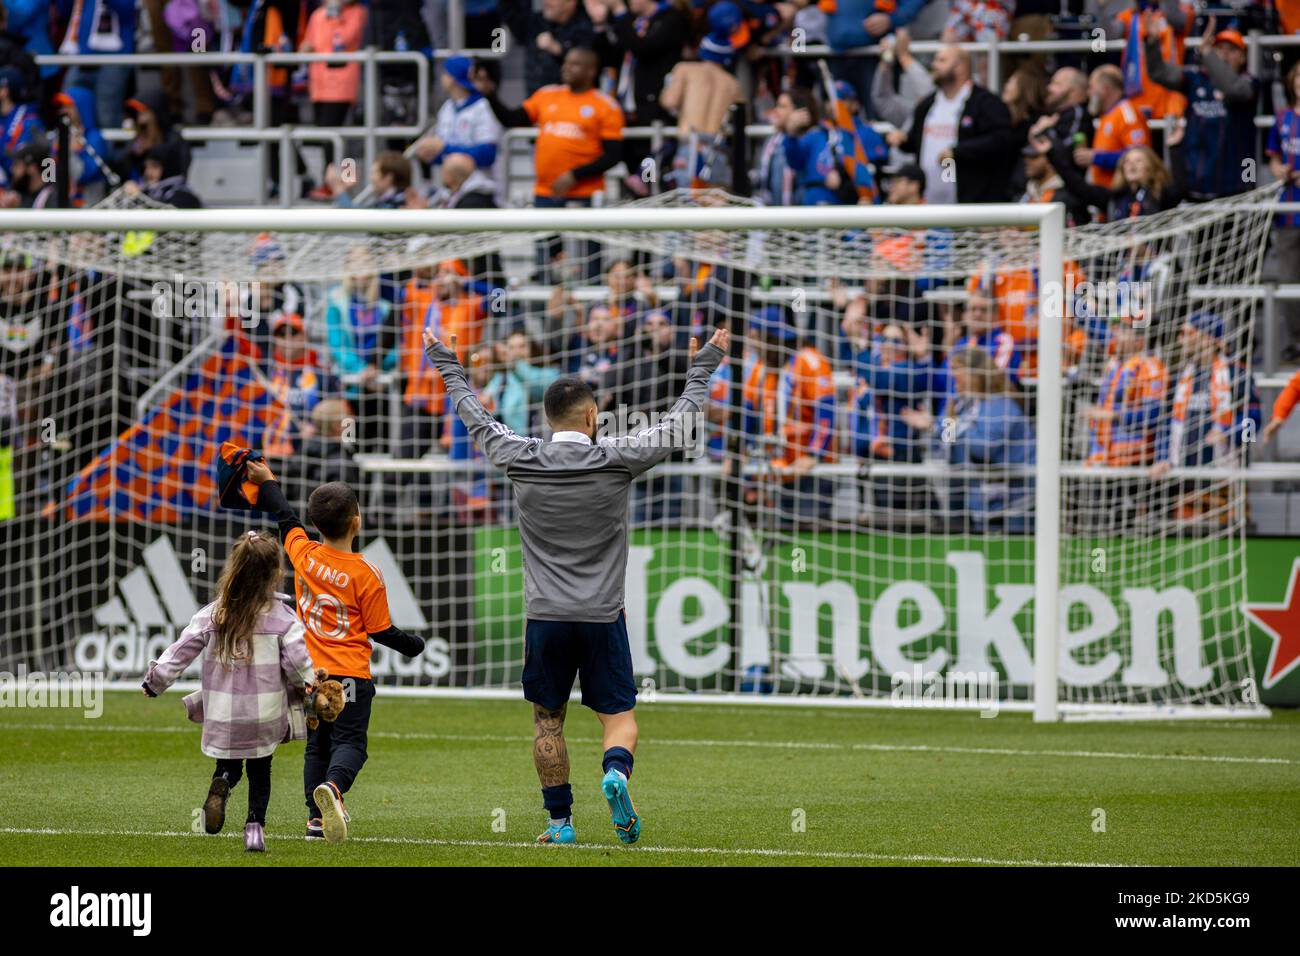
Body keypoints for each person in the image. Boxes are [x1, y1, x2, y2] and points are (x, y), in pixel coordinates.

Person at [422, 320, 729, 846]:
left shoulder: (520, 456)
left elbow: (475, 419)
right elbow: (678, 428)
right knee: (620, 718)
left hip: (545, 618)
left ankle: (560, 824)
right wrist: (701, 371)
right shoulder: (616, 458)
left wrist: (449, 367)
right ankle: (614, 773)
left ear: (545, 419)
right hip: (603, 616)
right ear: (592, 416)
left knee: (548, 725)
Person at [243, 466, 425, 843]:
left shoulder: (304, 554)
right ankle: (335, 790)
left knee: (318, 746)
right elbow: (379, 630)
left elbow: (285, 515)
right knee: (351, 744)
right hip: (350, 678)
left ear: (316, 523)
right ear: (356, 521)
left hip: (312, 676)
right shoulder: (366, 573)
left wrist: (267, 482)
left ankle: (315, 818)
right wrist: (413, 645)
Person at [141, 531, 332, 853]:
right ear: (276, 573)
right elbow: (299, 664)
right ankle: (254, 830)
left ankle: (224, 783)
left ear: (234, 568)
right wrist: (310, 687)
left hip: (223, 712)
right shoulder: (284, 618)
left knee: (228, 764)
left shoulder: (214, 613)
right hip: (265, 712)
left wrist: (155, 681)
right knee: (261, 771)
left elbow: (181, 650)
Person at [478, 47, 624, 284]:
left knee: (589, 261)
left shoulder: (605, 105)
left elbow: (614, 155)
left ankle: (591, 307)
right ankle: (546, 309)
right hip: (545, 192)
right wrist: (490, 94)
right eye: (566, 62)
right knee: (546, 259)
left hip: (584, 195)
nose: (567, 67)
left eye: (575, 64)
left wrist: (575, 175)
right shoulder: (547, 95)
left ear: (590, 71)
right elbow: (513, 119)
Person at [902, 346, 1036, 532]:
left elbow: (982, 448)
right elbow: (945, 445)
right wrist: (933, 426)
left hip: (1017, 504)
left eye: (957, 369)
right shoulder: (960, 403)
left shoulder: (1001, 404)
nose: (953, 375)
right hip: (980, 501)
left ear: (975, 373)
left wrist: (945, 427)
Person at [1143, 19, 1257, 201]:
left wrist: (1207, 53)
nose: (1224, 55)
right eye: (1219, 49)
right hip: (1197, 183)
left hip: (1236, 185)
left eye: (1232, 50)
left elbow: (1232, 89)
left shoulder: (1249, 82)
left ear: (1243, 57)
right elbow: (1159, 73)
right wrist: (1152, 42)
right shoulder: (1196, 78)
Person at [888, 44, 1017, 203]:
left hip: (973, 202)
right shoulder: (928, 104)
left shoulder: (986, 103)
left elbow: (1002, 140)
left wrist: (957, 152)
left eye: (941, 60)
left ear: (960, 67)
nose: (934, 65)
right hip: (929, 202)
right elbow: (916, 143)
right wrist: (902, 140)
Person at [413, 55, 503, 179]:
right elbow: (443, 151)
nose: (442, 78)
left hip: (479, 186)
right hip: (451, 186)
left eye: (445, 73)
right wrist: (430, 153)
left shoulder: (484, 107)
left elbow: (487, 155)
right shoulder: (447, 107)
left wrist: (444, 148)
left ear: (452, 78)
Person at [1267, 61, 1300, 361]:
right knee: (1289, 279)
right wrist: (1280, 170)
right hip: (1289, 213)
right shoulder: (1283, 119)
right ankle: (1293, 345)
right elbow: (1272, 158)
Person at [499, 0, 597, 95]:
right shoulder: (535, 22)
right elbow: (511, 14)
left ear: (570, 3)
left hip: (570, 102)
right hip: (535, 101)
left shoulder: (586, 27)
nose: (546, 2)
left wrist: (559, 49)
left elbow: (587, 64)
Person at [1080, 64, 1151, 191]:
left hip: (1122, 194)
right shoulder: (1107, 115)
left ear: (1104, 89)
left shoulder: (1128, 114)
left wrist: (1096, 158)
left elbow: (1140, 154)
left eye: (1091, 87)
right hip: (1106, 194)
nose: (1088, 93)